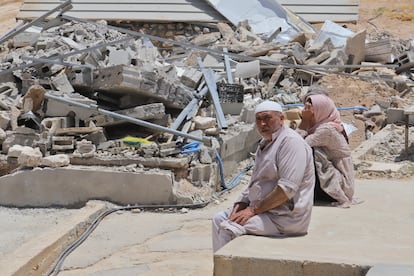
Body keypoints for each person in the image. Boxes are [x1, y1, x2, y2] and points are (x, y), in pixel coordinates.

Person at [212, 100, 315, 253]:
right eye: (258, 120)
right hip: (265, 211)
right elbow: (256, 181)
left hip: (284, 217)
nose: (262, 124)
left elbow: (287, 189)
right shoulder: (266, 143)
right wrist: (240, 204)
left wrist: (252, 210)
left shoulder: (291, 143)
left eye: (267, 118)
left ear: (281, 119)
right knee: (219, 219)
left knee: (229, 228)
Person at [298, 92, 356, 207]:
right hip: (335, 179)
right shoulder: (322, 126)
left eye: (310, 112)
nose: (306, 114)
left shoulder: (326, 129)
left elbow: (298, 145)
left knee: (312, 152)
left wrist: (304, 122)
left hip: (340, 185)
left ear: (321, 111)